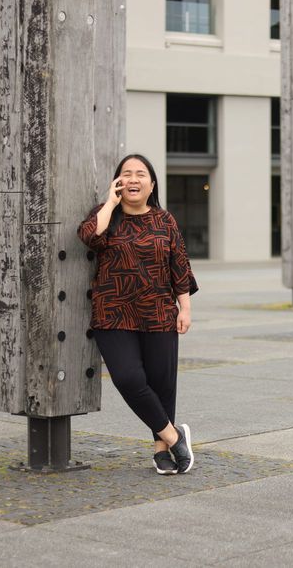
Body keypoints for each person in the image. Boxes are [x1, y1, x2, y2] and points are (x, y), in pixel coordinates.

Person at [78, 154, 199, 475]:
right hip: (113, 313)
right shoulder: (105, 217)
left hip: (159, 312)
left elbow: (180, 265)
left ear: (152, 184)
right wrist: (109, 202)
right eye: (126, 174)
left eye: (140, 174)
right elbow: (89, 237)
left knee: (162, 384)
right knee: (129, 379)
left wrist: (185, 307)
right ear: (117, 182)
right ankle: (175, 436)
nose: (133, 179)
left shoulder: (165, 220)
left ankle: (161, 450)